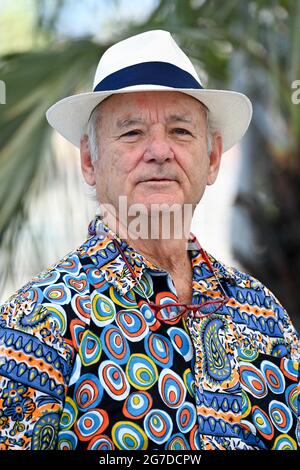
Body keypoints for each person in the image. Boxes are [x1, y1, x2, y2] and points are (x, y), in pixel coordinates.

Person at [0, 30, 299, 452]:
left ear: (211, 158)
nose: (159, 151)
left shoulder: (265, 316)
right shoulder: (39, 321)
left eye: (180, 131)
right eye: (132, 133)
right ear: (90, 160)